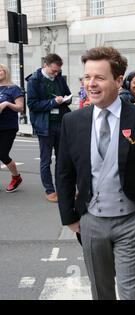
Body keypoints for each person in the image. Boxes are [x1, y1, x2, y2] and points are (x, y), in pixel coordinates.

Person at [56, 46, 135, 300]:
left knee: (132, 294)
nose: (91, 84)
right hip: (91, 221)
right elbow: (63, 172)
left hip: (133, 220)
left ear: (119, 81)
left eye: (99, 77)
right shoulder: (73, 121)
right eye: (87, 77)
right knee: (101, 292)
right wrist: (69, 217)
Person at [26, 53, 72, 203]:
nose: (56, 73)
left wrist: (66, 99)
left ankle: (63, 188)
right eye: (53, 70)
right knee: (46, 160)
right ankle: (49, 190)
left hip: (61, 122)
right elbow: (32, 105)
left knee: (63, 158)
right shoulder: (33, 80)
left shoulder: (59, 77)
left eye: (58, 71)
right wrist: (53, 102)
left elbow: (67, 94)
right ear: (45, 65)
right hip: (44, 125)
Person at [0, 64, 24, 192]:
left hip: (8, 127)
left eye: (0, 69)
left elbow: (20, 108)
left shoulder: (14, 89)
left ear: (5, 71)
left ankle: (16, 177)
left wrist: (7, 103)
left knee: (2, 154)